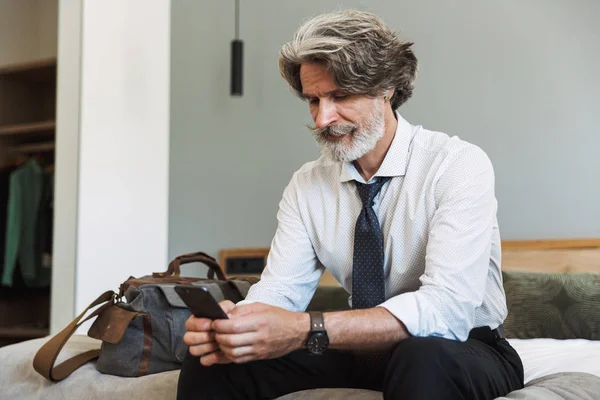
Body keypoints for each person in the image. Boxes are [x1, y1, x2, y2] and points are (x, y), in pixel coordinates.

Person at [177, 9, 524, 400]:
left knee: (423, 359)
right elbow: (279, 293)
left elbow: (448, 310)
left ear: (386, 89)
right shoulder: (307, 186)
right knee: (217, 363)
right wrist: (238, 327)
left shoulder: (456, 165)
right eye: (313, 100)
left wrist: (307, 329)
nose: (324, 118)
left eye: (340, 96)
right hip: (359, 350)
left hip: (462, 347)